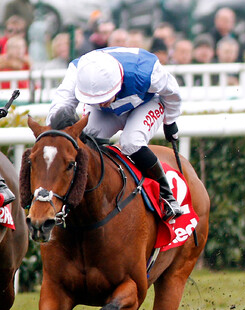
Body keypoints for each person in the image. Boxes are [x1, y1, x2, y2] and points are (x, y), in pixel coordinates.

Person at [47, 48, 184, 221]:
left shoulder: (148, 72)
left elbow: (173, 94)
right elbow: (60, 105)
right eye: (96, 99)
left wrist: (170, 121)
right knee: (87, 138)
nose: (101, 104)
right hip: (113, 108)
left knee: (131, 142)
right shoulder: (77, 71)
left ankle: (167, 196)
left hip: (146, 103)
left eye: (104, 98)